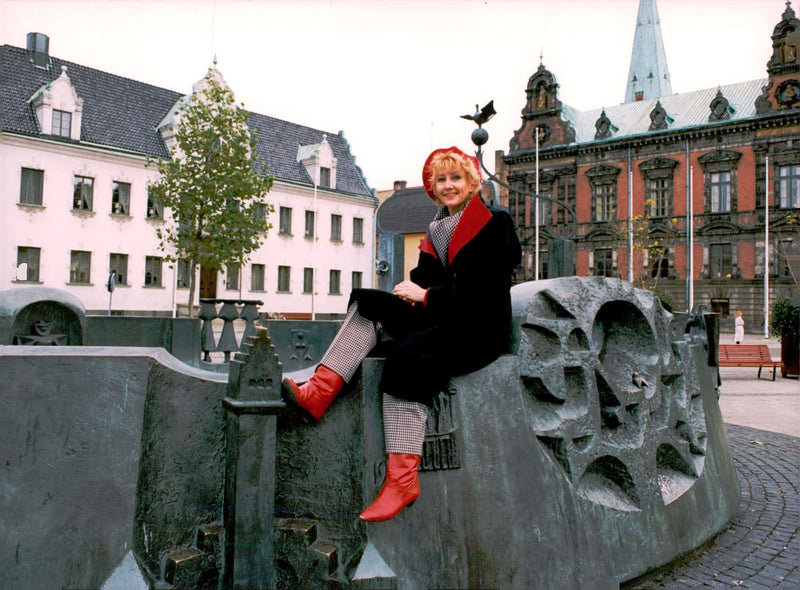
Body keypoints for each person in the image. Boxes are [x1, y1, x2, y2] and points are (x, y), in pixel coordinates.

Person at [282, 146, 521, 522]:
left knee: (407, 356)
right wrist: (405, 294)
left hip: (480, 329)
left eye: (456, 178)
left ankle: (402, 480)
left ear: (472, 181)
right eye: (440, 180)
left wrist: (426, 295)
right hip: (443, 317)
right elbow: (421, 281)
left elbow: (485, 290)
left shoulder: (495, 223)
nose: (448, 186)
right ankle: (320, 390)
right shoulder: (435, 230)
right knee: (368, 303)